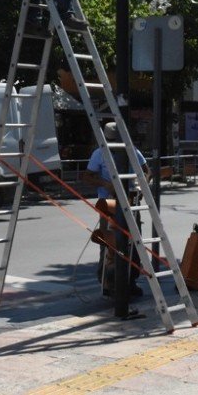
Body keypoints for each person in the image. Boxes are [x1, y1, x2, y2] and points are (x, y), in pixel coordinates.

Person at [80, 122, 148, 297]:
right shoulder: (100, 153)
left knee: (134, 243)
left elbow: (147, 171)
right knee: (109, 243)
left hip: (131, 201)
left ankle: (130, 280)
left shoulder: (132, 150)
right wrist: (105, 184)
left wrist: (141, 187)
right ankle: (108, 282)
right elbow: (87, 176)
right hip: (109, 204)